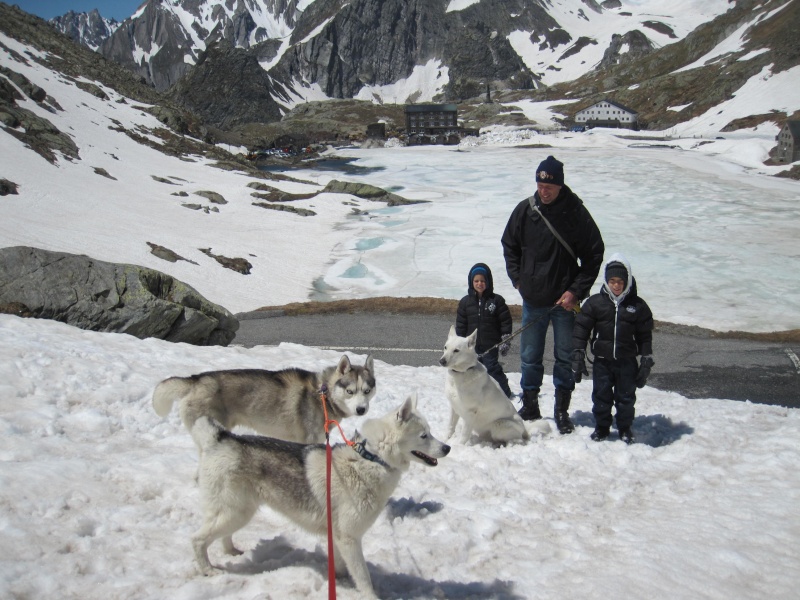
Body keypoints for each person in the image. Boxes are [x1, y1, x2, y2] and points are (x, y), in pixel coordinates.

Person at [501, 155, 604, 434]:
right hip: (533, 298)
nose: (543, 190)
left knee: (564, 356)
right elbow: (509, 244)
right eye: (540, 184)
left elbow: (594, 255)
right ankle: (530, 404)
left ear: (560, 185)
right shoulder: (526, 210)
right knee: (530, 356)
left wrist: (575, 291)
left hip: (564, 303)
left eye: (549, 186)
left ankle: (561, 410)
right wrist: (518, 280)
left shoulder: (575, 213)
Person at [571, 253, 654, 444]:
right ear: (607, 281)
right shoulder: (595, 303)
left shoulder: (637, 306)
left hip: (627, 362)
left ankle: (625, 427)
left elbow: (644, 335)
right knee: (601, 395)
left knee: (626, 397)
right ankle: (602, 427)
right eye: (612, 281)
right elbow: (581, 329)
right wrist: (578, 353)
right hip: (602, 361)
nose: (616, 285)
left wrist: (646, 359)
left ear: (627, 281)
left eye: (620, 281)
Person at [456, 263, 514, 398]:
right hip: (472, 346)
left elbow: (505, 321)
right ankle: (475, 392)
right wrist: (460, 342)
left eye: (482, 281)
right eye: (476, 281)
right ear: (471, 282)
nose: (479, 284)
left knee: (492, 367)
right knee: (472, 369)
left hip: (491, 343)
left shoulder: (496, 301)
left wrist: (505, 338)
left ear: (488, 282)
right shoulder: (465, 302)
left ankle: (505, 391)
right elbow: (461, 324)